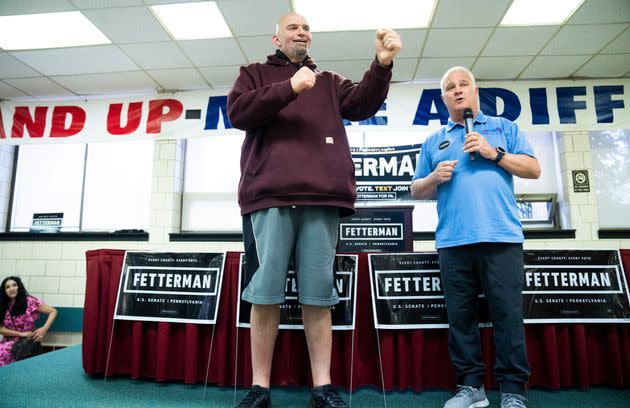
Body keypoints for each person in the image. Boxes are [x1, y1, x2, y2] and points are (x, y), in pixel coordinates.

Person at [227, 12, 401, 408]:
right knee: (265, 294)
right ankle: (260, 388)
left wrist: (382, 64)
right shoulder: (253, 73)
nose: (302, 32)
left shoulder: (328, 81)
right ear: (276, 38)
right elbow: (238, 113)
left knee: (318, 295)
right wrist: (288, 87)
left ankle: (322, 387)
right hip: (269, 198)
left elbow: (363, 103)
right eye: (293, 27)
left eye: (306, 28)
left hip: (322, 200)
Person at [411, 66, 541, 408]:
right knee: (461, 319)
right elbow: (415, 189)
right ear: (443, 99)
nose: (457, 91)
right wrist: (434, 178)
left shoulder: (503, 128)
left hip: (501, 238)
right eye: (450, 88)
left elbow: (534, 169)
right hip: (453, 243)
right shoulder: (433, 140)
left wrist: (493, 153)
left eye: (463, 84)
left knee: (507, 317)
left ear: (475, 90)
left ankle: (512, 391)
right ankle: (472, 388)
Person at [0, 276, 58, 366]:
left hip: (27, 340)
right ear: (4, 291)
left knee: (4, 352)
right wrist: (20, 333)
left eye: (14, 285)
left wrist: (44, 328)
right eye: (7, 287)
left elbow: (53, 311)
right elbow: (1, 329)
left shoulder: (29, 301)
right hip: (8, 339)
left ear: (19, 286)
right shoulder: (2, 305)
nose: (11, 289)